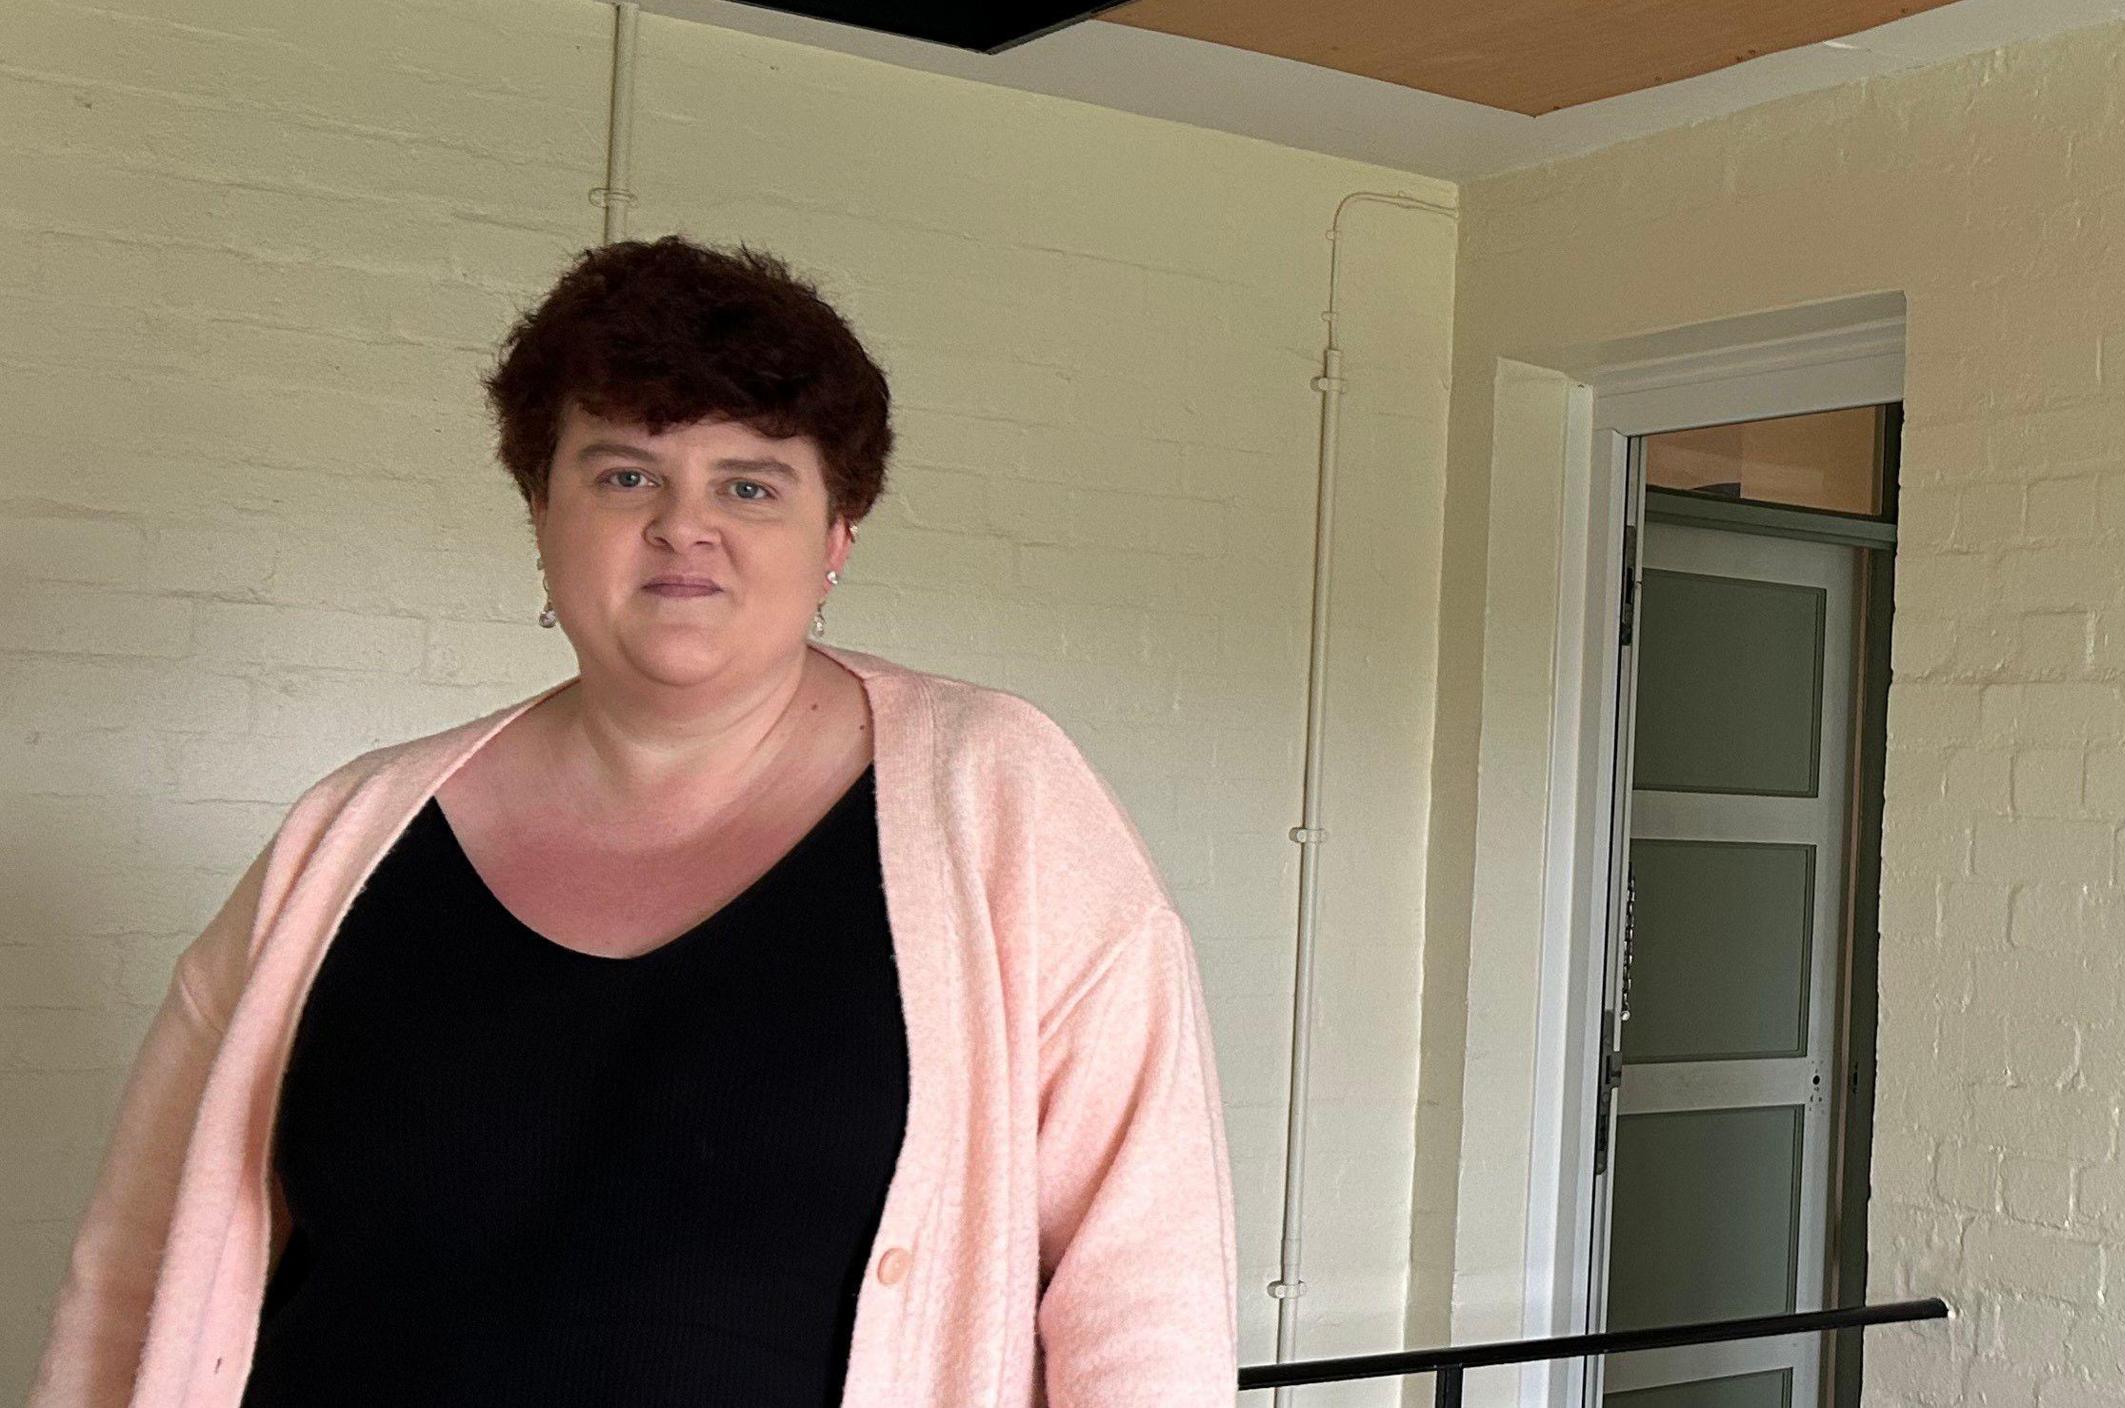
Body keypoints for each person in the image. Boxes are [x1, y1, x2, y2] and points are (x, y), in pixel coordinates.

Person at [26, 238, 1236, 1408]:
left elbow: (1143, 1290)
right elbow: (134, 1274)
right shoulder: (347, 837)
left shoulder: (995, 798)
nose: (682, 524)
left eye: (750, 483)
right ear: (542, 512)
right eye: (624, 474)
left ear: (836, 538)